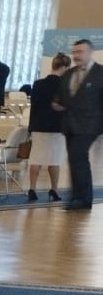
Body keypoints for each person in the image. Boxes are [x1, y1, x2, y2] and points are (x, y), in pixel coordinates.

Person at [60, 38, 103, 211]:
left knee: (78, 156)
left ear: (90, 52)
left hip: (90, 124)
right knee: (75, 159)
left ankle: (81, 198)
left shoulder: (100, 73)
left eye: (80, 52)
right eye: (74, 52)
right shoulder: (68, 74)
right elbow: (62, 97)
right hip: (70, 125)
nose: (76, 55)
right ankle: (80, 197)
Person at [25, 52, 70, 202]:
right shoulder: (65, 85)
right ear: (64, 67)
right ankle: (53, 190)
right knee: (54, 160)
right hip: (57, 127)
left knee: (36, 158)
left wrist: (31, 127)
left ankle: (32, 189)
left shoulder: (38, 84)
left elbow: (34, 107)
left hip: (38, 125)